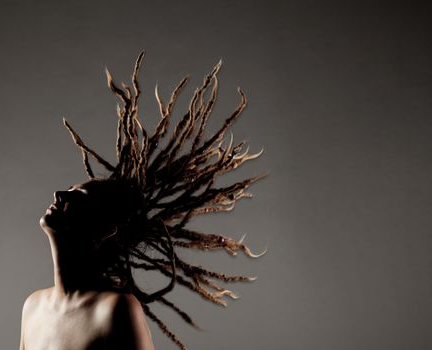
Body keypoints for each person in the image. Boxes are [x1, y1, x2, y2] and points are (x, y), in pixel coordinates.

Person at [19, 52, 267, 350]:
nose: (60, 195)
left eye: (79, 197)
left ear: (104, 228)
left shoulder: (116, 310)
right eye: (69, 190)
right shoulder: (32, 307)